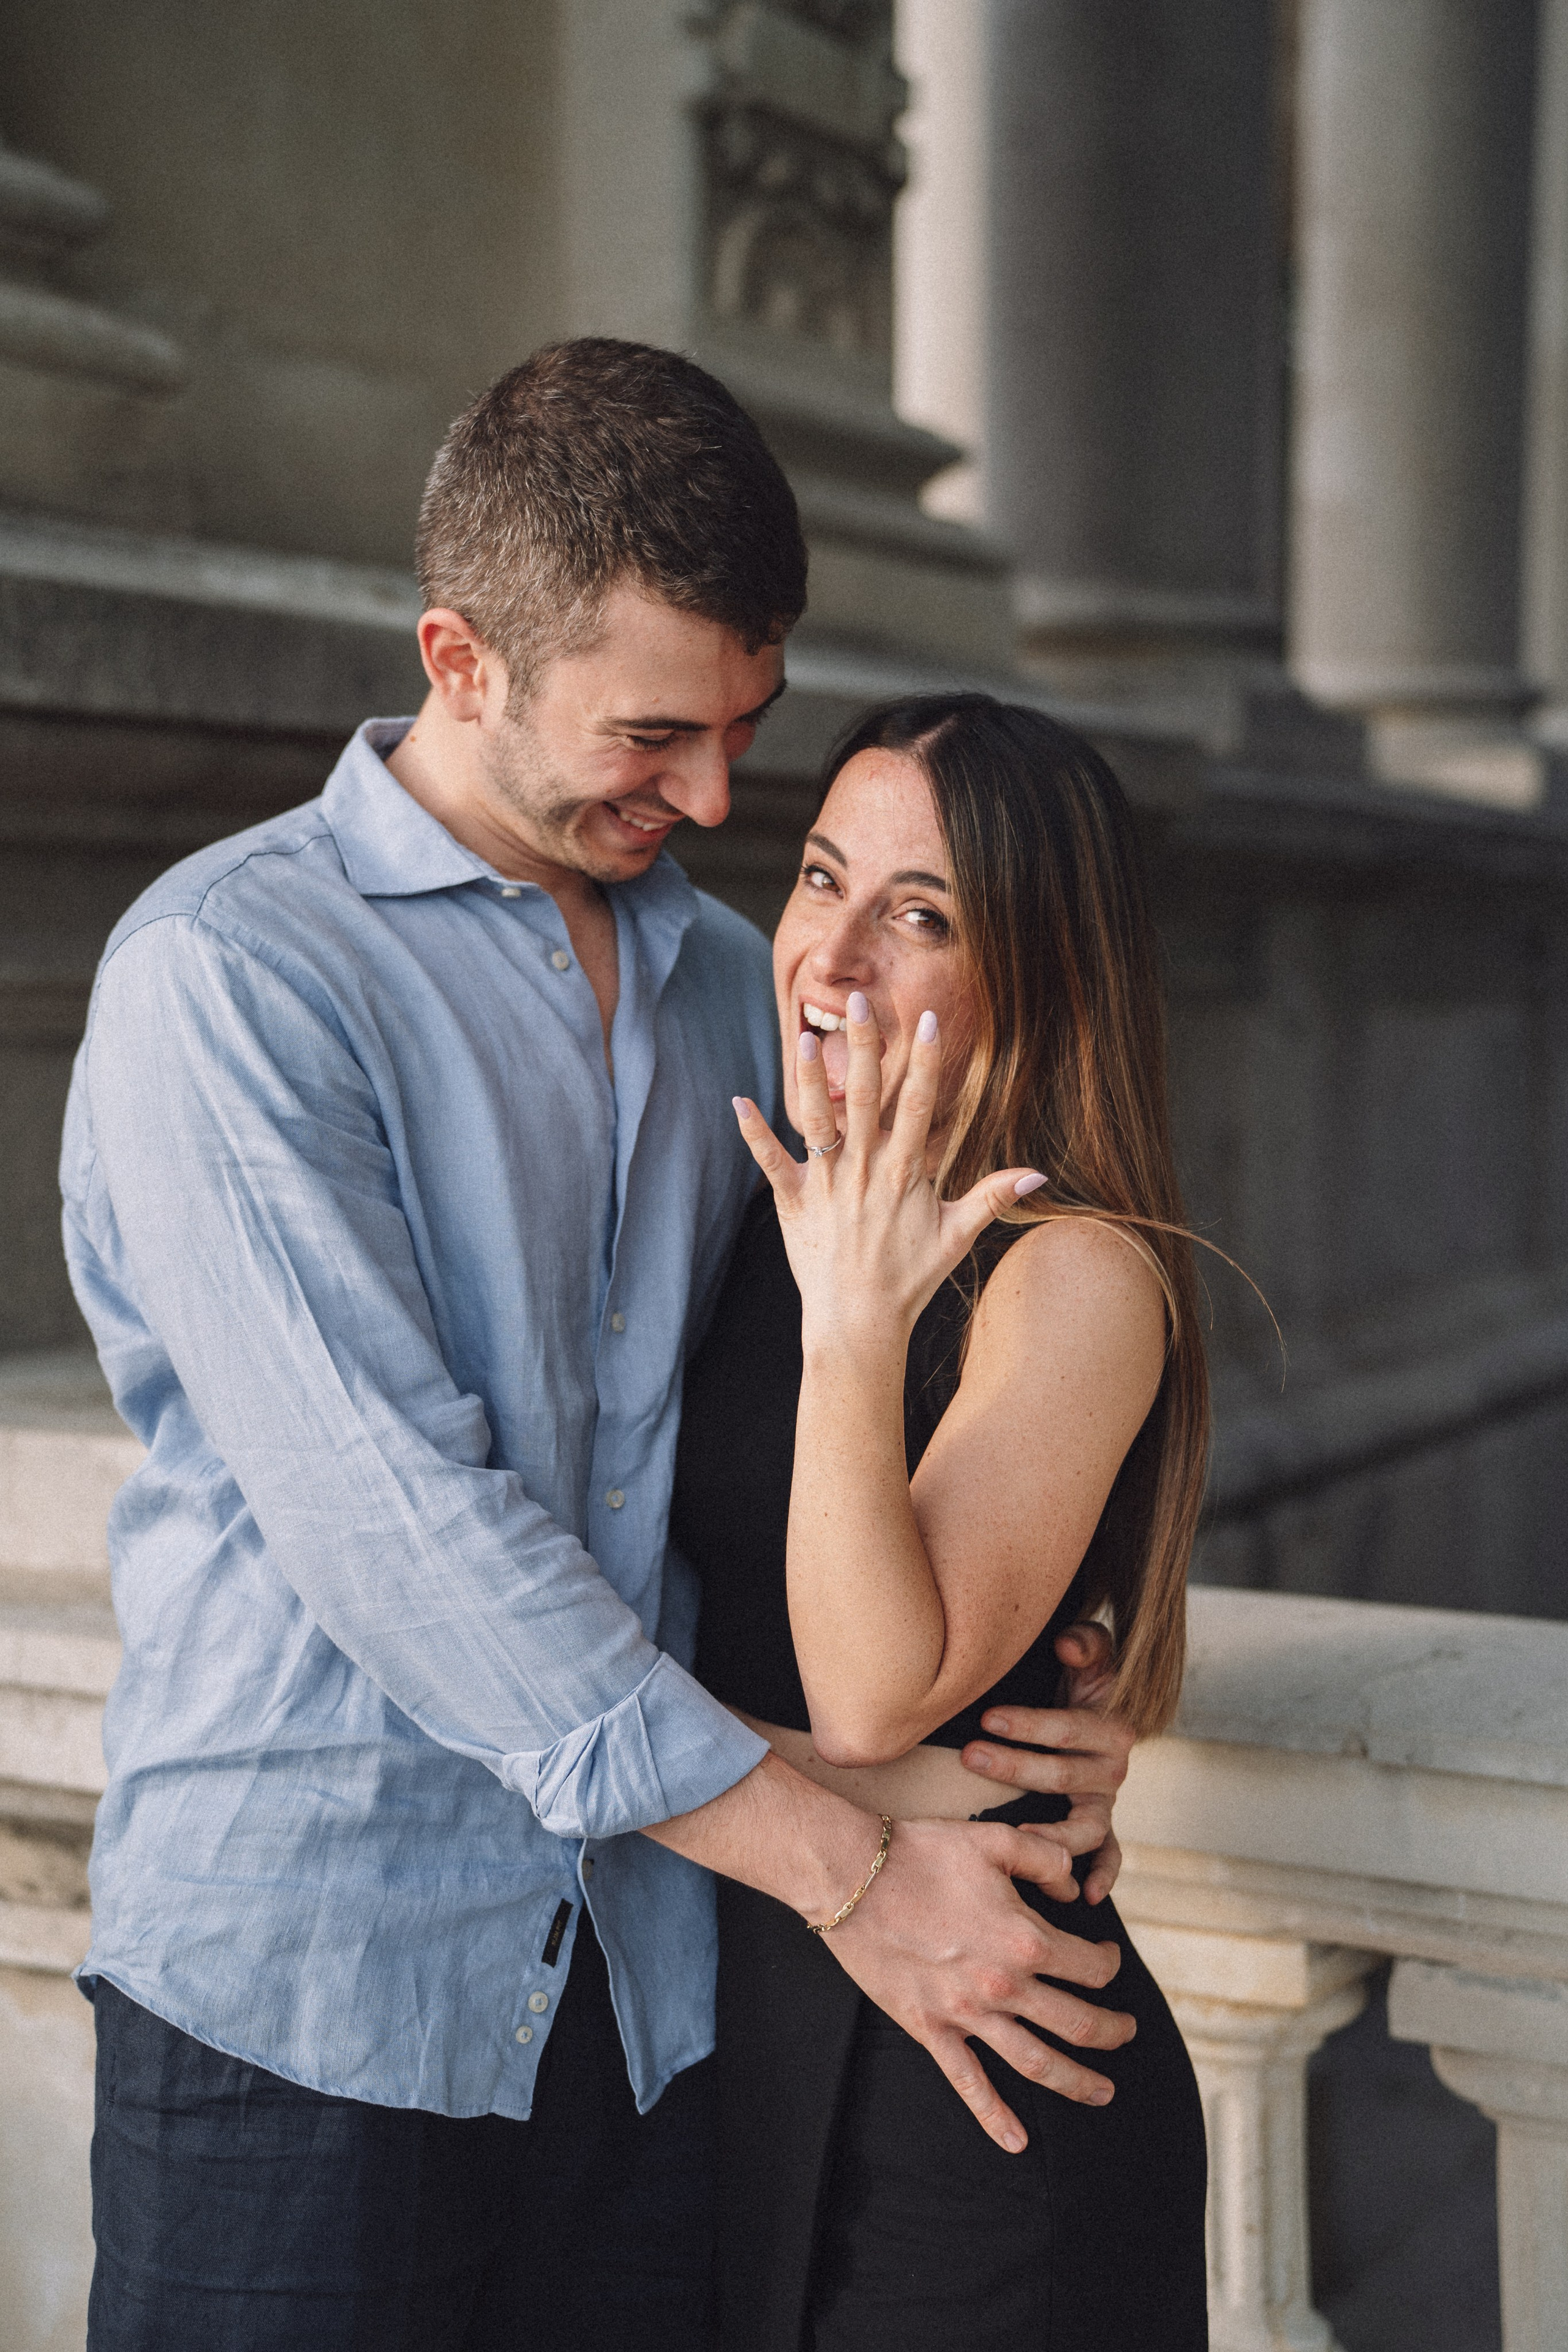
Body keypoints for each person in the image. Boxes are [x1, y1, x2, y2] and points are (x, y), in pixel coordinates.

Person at [61, 343, 1139, 2352]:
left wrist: (1033, 1692)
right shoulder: (231, 978)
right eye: (656, 733)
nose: (718, 800)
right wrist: (852, 1856)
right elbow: (412, 1544)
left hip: (653, 2019)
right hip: (312, 2009)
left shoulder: (740, 984)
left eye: (747, 731)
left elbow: (857, 1424)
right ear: (460, 660)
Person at [672, 693, 1212, 2351]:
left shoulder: (1077, 1272)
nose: (831, 960)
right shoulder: (760, 1204)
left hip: (977, 2097)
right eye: (822, 880)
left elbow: (867, 1694)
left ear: (1036, 976)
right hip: (742, 2062)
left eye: (920, 917)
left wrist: (855, 1327)